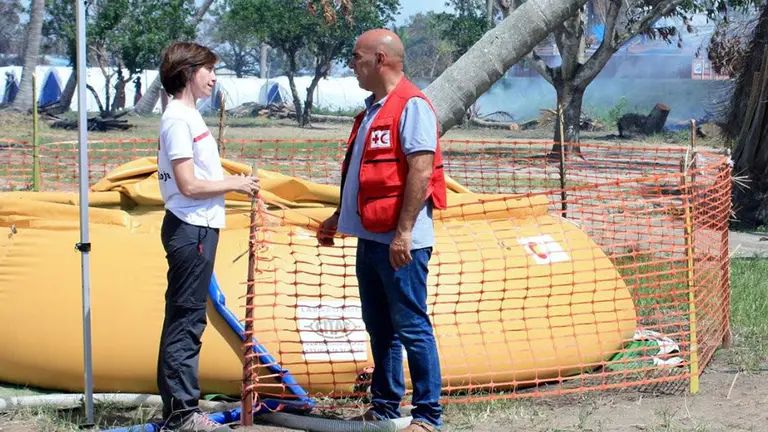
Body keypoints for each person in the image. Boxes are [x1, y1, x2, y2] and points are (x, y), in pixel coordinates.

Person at [317, 29, 446, 432]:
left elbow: (421, 170)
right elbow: (365, 173)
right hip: (370, 239)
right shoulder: (373, 109)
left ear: (380, 59)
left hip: (399, 242)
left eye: (356, 57)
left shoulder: (412, 106)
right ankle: (386, 406)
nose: (351, 65)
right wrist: (341, 216)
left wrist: (404, 233)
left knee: (411, 326)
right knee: (380, 327)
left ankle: (427, 416)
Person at [155, 41, 259, 432]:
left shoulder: (188, 117)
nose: (214, 77)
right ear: (187, 73)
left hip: (198, 226)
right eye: (208, 70)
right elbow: (188, 184)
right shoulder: (178, 120)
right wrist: (238, 183)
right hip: (190, 227)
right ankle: (183, 415)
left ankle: (180, 410)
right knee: (186, 320)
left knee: (187, 317)